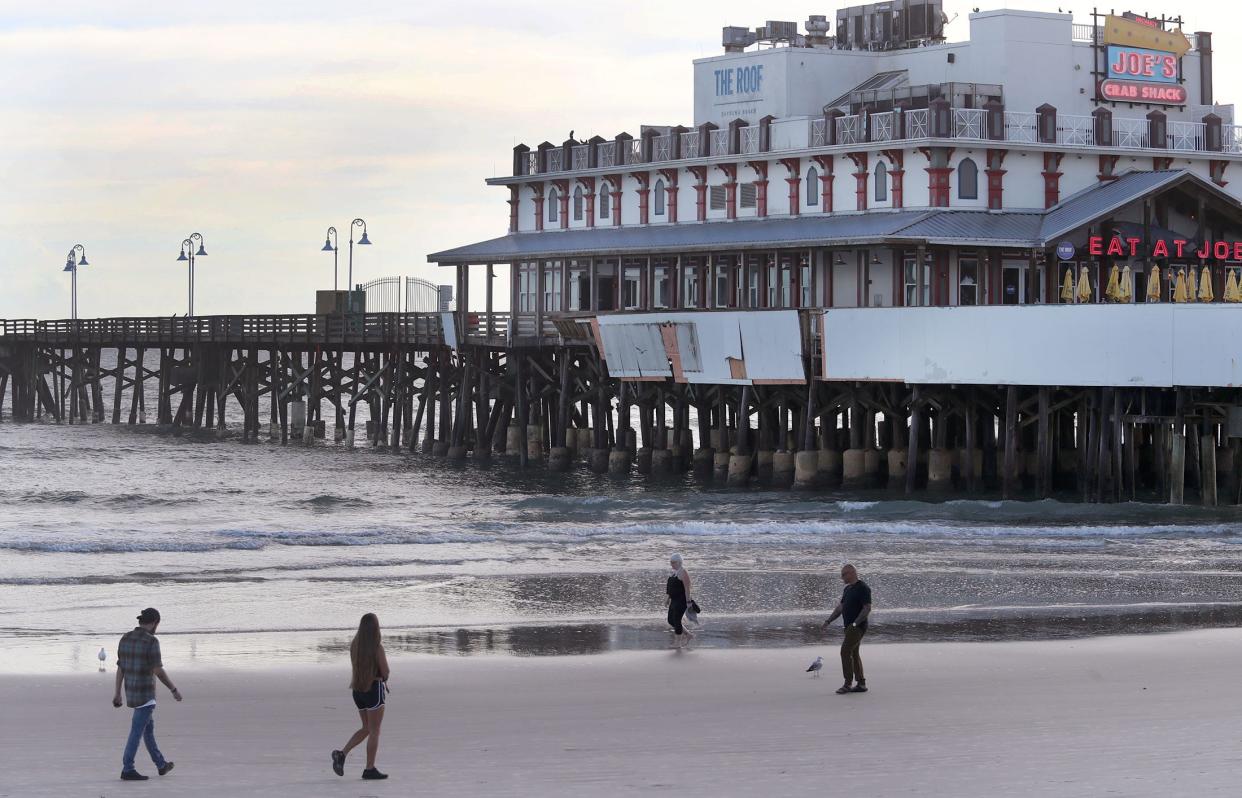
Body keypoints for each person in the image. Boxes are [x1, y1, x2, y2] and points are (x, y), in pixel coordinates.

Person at [112, 607, 181, 781]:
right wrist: (173, 689)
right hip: (146, 695)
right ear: (155, 622)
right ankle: (128, 768)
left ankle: (161, 765)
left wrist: (118, 693)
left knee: (147, 730)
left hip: (132, 694)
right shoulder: (151, 641)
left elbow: (121, 667)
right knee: (136, 732)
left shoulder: (125, 638)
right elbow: (158, 671)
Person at [332, 613, 390, 780]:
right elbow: (385, 672)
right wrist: (383, 677)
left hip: (357, 690)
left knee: (366, 727)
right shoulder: (377, 647)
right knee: (374, 731)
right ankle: (369, 768)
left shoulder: (355, 645)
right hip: (373, 690)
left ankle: (341, 754)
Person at [822, 564, 872, 695]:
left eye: (844, 574)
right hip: (849, 627)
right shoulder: (848, 589)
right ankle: (861, 684)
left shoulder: (863, 588)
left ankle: (847, 683)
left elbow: (867, 608)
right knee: (854, 653)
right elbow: (840, 608)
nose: (842, 577)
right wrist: (828, 621)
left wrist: (855, 624)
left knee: (845, 652)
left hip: (857, 627)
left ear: (852, 573)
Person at [665, 554, 695, 647]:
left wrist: (688, 602)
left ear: (679, 562)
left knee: (677, 620)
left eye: (673, 562)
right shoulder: (674, 572)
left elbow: (687, 588)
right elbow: (671, 588)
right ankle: (688, 635)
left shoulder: (683, 572)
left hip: (681, 600)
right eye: (671, 562)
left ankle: (677, 642)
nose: (672, 564)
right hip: (674, 600)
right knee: (670, 620)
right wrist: (667, 599)